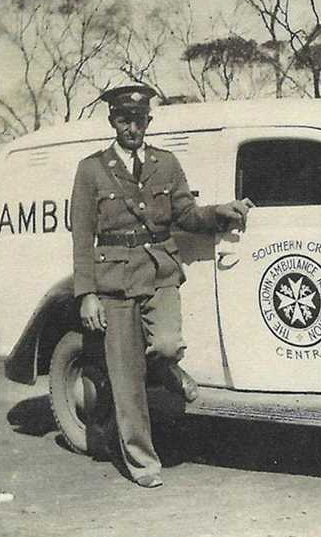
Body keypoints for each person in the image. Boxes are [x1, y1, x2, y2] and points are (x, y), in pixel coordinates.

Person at [70, 84, 253, 488]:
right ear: (112, 122)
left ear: (148, 122)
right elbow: (82, 236)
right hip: (114, 280)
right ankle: (142, 463)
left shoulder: (166, 164)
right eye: (123, 120)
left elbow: (185, 214)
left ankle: (166, 368)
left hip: (159, 272)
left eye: (138, 120)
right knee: (125, 378)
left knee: (167, 343)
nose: (131, 127)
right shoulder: (92, 170)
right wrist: (86, 295)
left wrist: (220, 212)